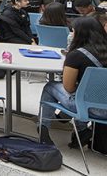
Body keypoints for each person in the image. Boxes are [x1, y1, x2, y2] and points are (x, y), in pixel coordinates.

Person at [38, 16, 107, 145]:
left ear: (80, 33)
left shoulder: (76, 55)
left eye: (73, 31)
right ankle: (81, 131)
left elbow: (68, 87)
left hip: (89, 109)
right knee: (83, 94)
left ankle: (43, 129)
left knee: (51, 87)